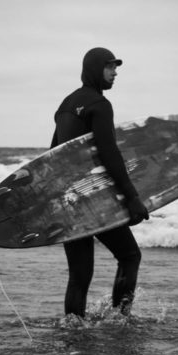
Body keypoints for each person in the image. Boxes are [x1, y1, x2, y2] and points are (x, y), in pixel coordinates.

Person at [50, 47, 149, 318]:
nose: (115, 72)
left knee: (80, 275)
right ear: (95, 68)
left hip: (70, 201)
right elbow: (109, 153)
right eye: (109, 67)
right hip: (93, 202)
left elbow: (53, 157)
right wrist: (131, 197)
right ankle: (120, 319)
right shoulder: (99, 105)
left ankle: (72, 331)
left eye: (115, 67)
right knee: (130, 256)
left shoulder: (65, 106)